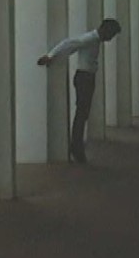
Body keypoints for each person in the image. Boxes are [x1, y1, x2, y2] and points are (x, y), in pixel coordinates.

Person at [37, 19, 122, 164]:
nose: (111, 38)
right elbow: (68, 43)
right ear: (105, 30)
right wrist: (51, 55)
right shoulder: (89, 38)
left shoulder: (94, 40)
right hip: (84, 78)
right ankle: (76, 146)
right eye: (111, 34)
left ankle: (77, 145)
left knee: (83, 112)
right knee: (82, 113)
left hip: (86, 77)